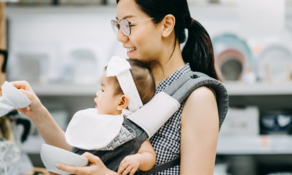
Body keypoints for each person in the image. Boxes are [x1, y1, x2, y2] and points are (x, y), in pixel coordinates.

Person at [12, 0, 220, 174]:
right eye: (118, 25)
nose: (120, 37)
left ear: (166, 25)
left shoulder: (198, 98)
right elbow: (83, 159)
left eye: (128, 24)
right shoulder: (131, 83)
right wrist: (37, 112)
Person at [66, 58, 157, 175]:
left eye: (103, 90)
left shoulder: (131, 130)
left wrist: (138, 159)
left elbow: (149, 155)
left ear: (121, 102)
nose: (98, 93)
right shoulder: (93, 118)